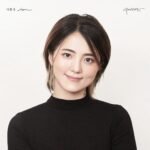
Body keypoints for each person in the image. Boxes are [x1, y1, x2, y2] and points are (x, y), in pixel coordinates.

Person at [7, 13, 137, 150]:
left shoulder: (116, 119)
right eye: (67, 55)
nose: (76, 68)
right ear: (51, 56)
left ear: (99, 65)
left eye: (88, 59)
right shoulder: (22, 126)